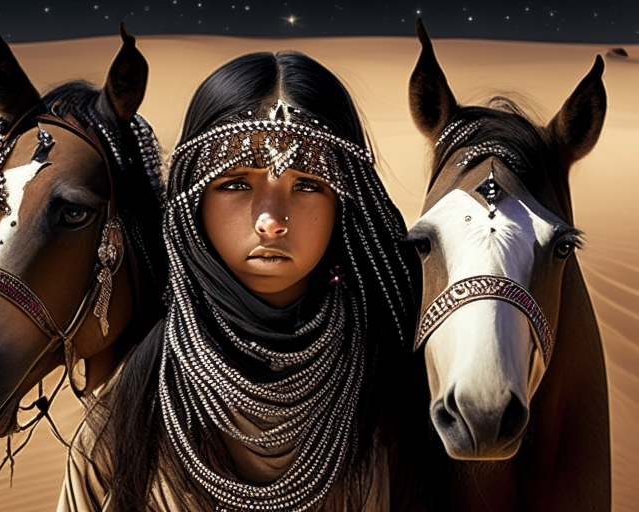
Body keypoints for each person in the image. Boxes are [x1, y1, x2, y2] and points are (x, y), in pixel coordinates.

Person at [59, 50, 422, 512]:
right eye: (236, 183)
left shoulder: (396, 399)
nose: (272, 221)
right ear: (193, 201)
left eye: (309, 184)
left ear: (345, 204)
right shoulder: (122, 420)